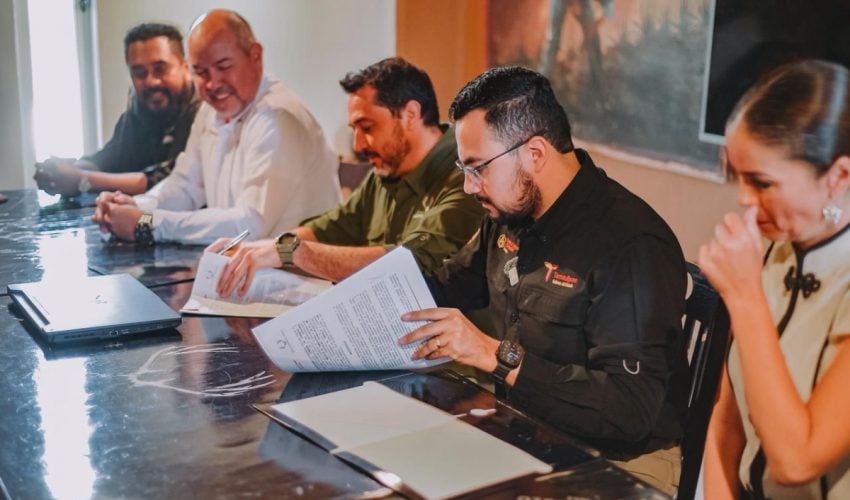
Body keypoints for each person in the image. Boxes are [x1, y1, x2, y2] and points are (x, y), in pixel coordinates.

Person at [397, 66, 689, 494]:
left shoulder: (629, 245)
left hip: (618, 463)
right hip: (525, 429)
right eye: (464, 168)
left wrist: (495, 354)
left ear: (534, 153)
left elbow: (628, 412)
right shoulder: (510, 213)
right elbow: (447, 286)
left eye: (478, 168)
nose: (469, 186)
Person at [701, 60, 850, 499]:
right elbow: (725, 419)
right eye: (737, 178)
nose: (744, 199)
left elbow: (796, 460)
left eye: (762, 183)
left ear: (838, 177)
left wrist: (744, 295)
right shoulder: (768, 251)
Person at [208, 57, 483, 290]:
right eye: (355, 130)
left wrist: (289, 252)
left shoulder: (467, 176)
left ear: (410, 114)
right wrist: (259, 250)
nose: (358, 146)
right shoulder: (383, 173)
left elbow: (408, 264)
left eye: (367, 128)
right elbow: (331, 228)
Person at [93, 9, 340, 245]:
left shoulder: (276, 116)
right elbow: (186, 185)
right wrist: (134, 206)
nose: (212, 84)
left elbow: (249, 224)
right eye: (201, 72)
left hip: (297, 271)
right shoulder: (209, 110)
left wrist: (146, 223)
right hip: (244, 265)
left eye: (223, 66)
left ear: (255, 56)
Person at [34, 22, 200, 196]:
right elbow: (109, 160)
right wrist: (64, 171)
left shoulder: (204, 113)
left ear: (185, 66)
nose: (151, 82)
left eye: (160, 69)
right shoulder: (138, 112)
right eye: (139, 73)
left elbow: (172, 181)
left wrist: (83, 180)